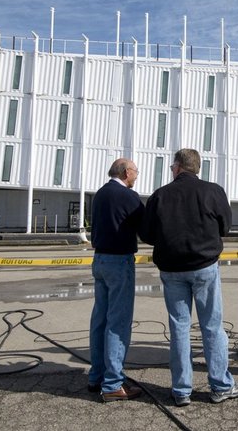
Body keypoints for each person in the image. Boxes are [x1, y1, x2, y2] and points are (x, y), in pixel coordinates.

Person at [139, 149, 238, 407]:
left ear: (177, 167)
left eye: (172, 167)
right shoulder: (213, 191)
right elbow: (225, 226)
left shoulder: (160, 195)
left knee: (179, 327)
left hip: (172, 270)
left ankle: (181, 390)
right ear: (197, 168)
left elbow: (147, 234)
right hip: (204, 266)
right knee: (211, 325)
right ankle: (220, 385)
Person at [88, 158, 144, 402]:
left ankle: (97, 376)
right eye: (135, 172)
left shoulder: (99, 194)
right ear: (125, 172)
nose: (136, 176)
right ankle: (112, 383)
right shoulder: (128, 197)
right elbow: (147, 228)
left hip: (99, 260)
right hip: (120, 262)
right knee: (118, 323)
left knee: (100, 319)